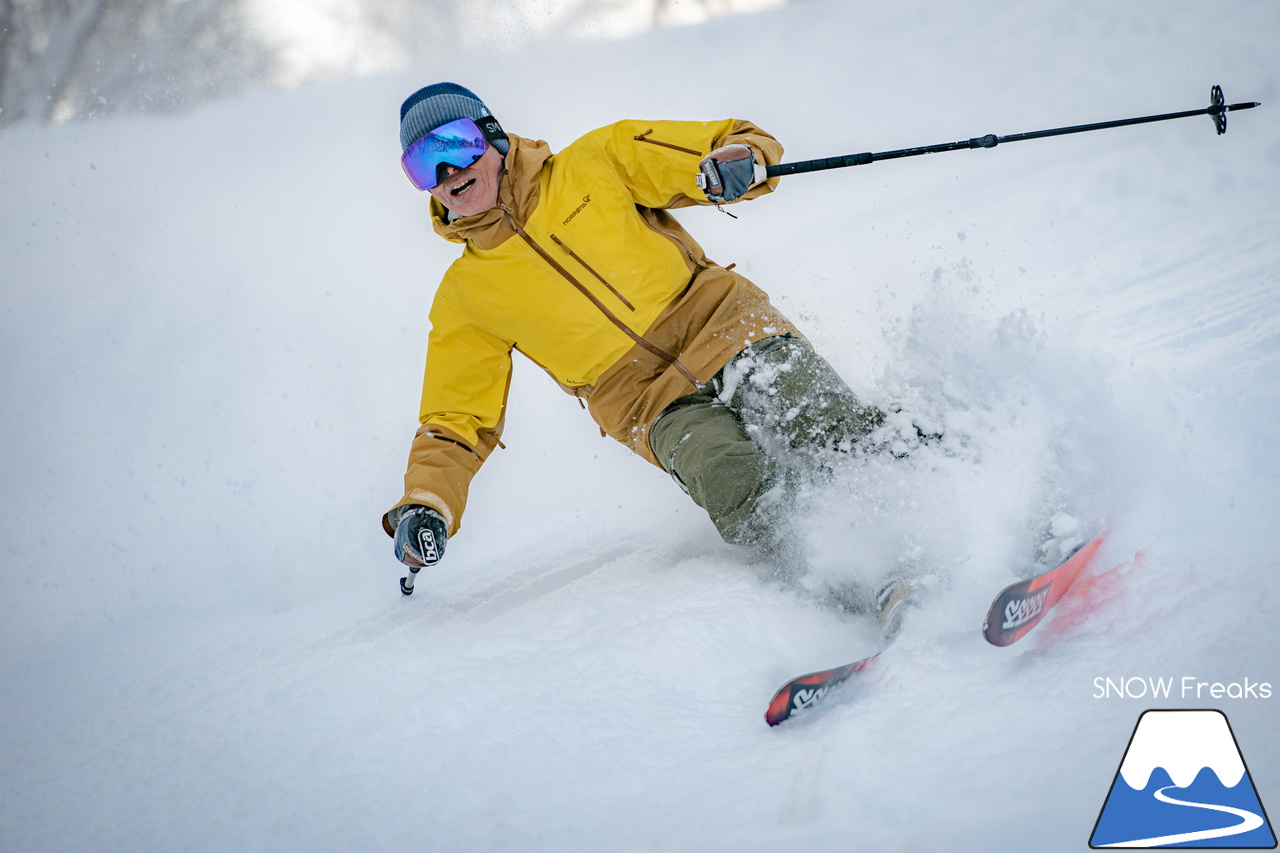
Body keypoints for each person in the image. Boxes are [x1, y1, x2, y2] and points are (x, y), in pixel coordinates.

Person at [383, 83, 906, 625]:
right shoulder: (467, 295)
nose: (447, 173)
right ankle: (869, 579)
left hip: (723, 325)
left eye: (455, 144)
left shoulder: (595, 162)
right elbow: (455, 418)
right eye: (424, 164)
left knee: (821, 418)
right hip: (646, 404)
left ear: (490, 136)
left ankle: (945, 494)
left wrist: (737, 163)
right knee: (731, 478)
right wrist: (427, 502)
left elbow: (731, 143)